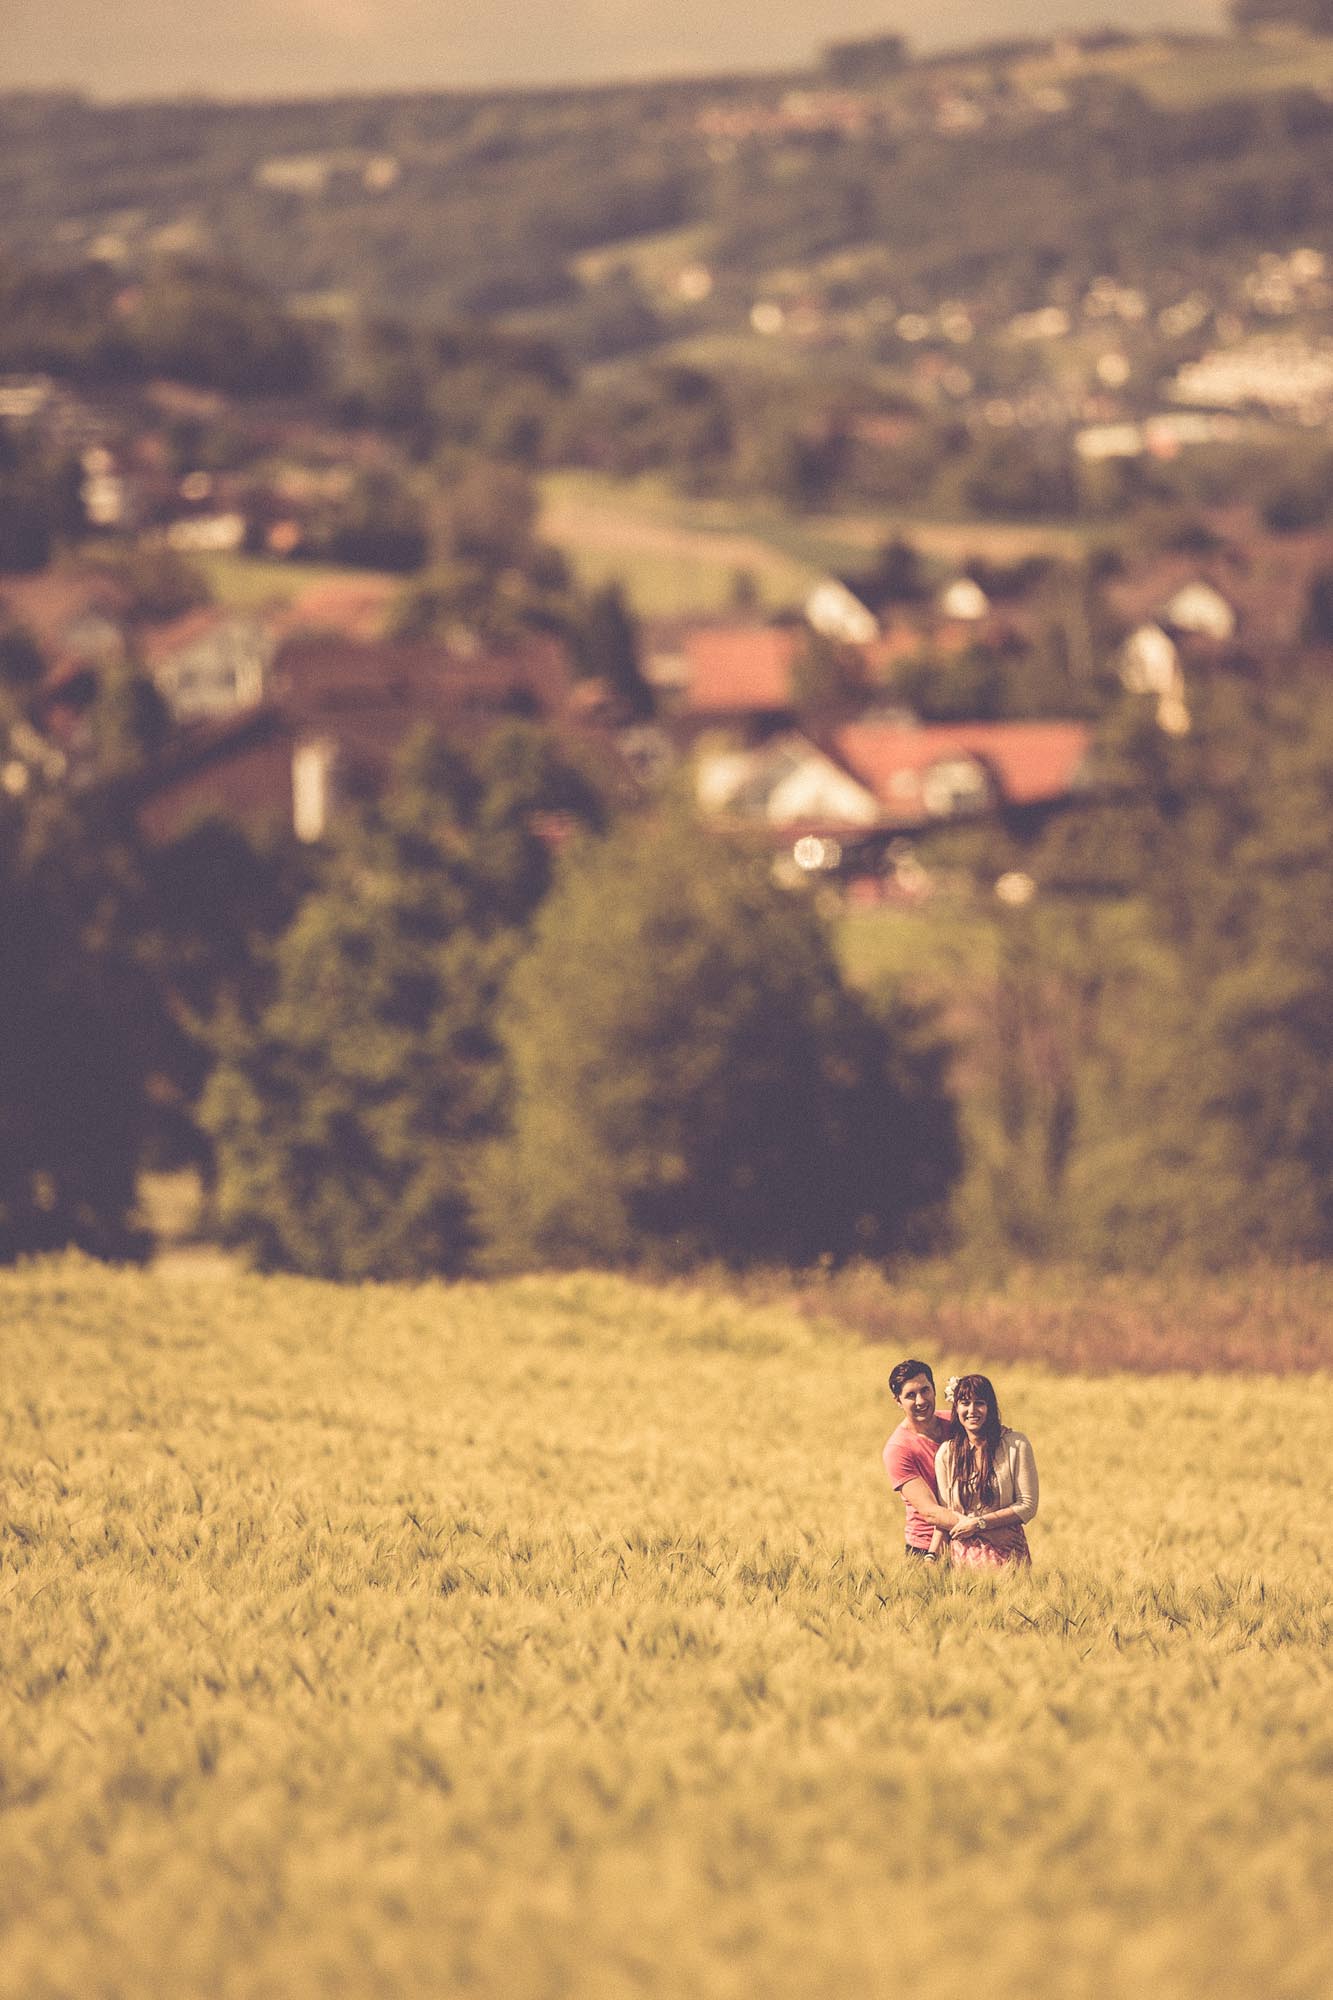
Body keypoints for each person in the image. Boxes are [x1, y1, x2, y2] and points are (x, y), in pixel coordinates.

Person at [933, 1372, 1038, 1569]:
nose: (972, 1410)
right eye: (965, 1403)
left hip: (1008, 1553)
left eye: (979, 1402)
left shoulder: (1015, 1444)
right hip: (962, 1559)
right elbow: (946, 1513)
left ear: (990, 1407)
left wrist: (979, 1524)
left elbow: (1028, 1505)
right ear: (956, 1408)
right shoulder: (946, 1454)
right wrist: (932, 1556)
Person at [882, 1358, 961, 1561]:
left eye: (925, 1390)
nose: (920, 1401)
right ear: (898, 1401)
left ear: (934, 1390)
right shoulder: (898, 1449)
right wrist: (982, 1524)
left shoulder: (957, 1424)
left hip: (968, 1544)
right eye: (910, 1395)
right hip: (925, 1552)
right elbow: (930, 1512)